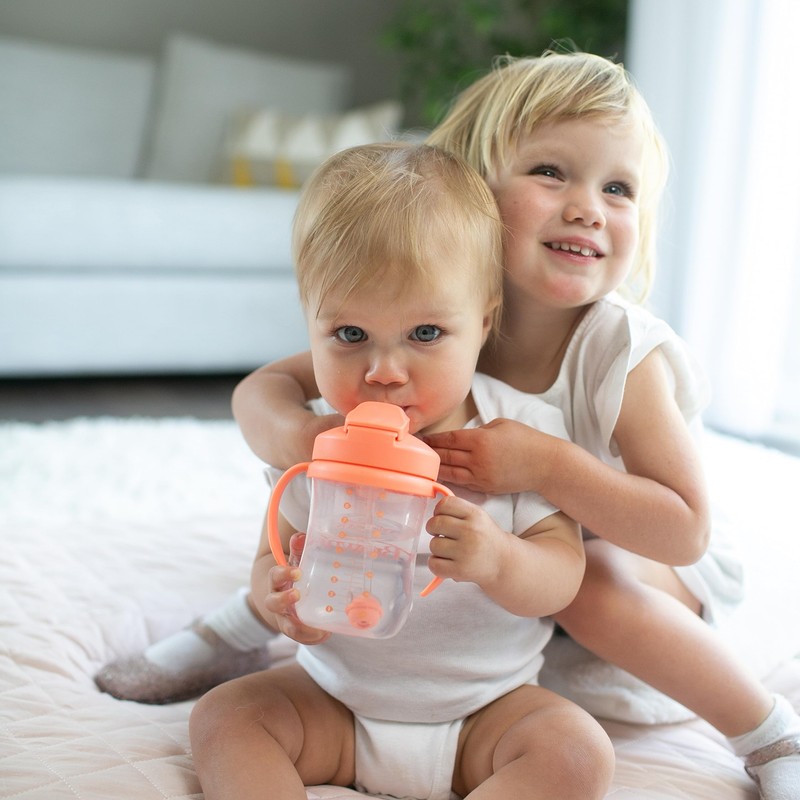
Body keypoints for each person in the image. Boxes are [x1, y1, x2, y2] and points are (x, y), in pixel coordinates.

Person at [95, 52, 800, 798]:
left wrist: (544, 465)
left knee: (584, 586)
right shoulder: (429, 317)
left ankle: (769, 733)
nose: (588, 207)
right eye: (551, 173)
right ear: (475, 191)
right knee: (334, 539)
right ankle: (243, 625)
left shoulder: (619, 350)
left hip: (633, 550)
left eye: (617, 188)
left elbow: (685, 530)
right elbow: (262, 393)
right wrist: (306, 445)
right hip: (487, 571)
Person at [188, 141, 615, 800]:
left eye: (425, 334)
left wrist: (498, 558)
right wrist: (281, 601)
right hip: (334, 704)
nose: (384, 372)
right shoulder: (319, 441)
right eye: (350, 335)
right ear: (310, 326)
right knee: (225, 719)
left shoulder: (516, 435)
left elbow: (561, 577)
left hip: (485, 714)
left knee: (578, 753)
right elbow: (271, 555)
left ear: (483, 323)